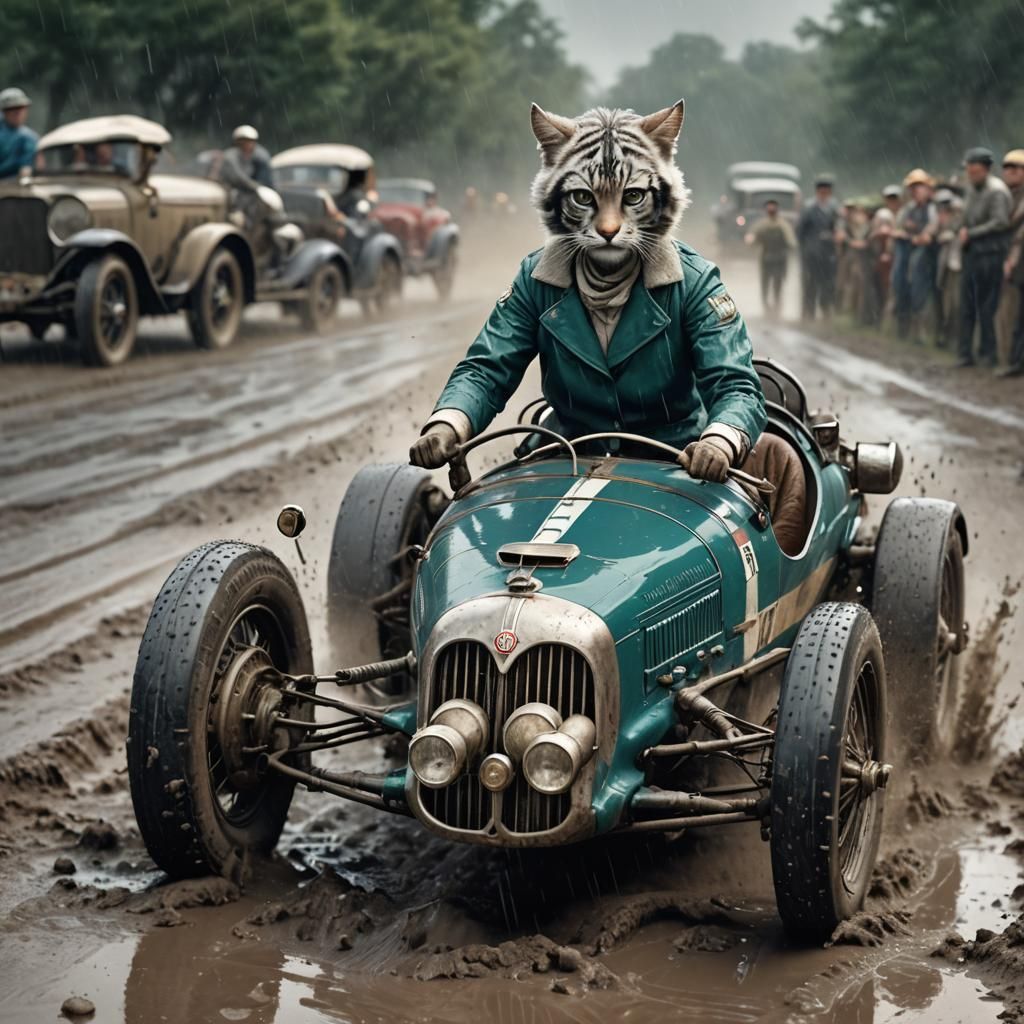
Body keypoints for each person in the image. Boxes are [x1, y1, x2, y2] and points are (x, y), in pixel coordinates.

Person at [409, 101, 805, 554]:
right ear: (556, 194)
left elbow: (736, 386)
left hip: (676, 467)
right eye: (584, 198)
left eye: (632, 197)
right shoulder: (535, 279)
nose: (610, 225)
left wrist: (718, 441)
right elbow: (487, 368)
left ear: (662, 193)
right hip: (568, 459)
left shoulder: (693, 282)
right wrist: (448, 424)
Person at [957, 147, 1012, 367]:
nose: (972, 175)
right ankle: (965, 353)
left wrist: (971, 233)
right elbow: (966, 216)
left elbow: (1000, 222)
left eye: (976, 171)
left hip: (990, 254)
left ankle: (989, 353)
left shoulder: (997, 191)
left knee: (988, 306)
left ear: (987, 170)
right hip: (972, 254)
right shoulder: (971, 189)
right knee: (967, 305)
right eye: (969, 171)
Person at [891, 169, 938, 344]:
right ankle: (903, 328)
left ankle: (922, 332)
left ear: (927, 188)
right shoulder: (908, 209)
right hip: (907, 253)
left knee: (922, 293)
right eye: (913, 187)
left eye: (919, 186)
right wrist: (903, 233)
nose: (915, 190)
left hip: (926, 256)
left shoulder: (933, 208)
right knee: (901, 287)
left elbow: (932, 230)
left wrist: (923, 236)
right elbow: (898, 227)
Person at [796, 174, 839, 322]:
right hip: (811, 253)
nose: (824, 193)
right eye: (822, 190)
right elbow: (800, 231)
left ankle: (826, 312)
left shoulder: (833, 208)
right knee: (810, 284)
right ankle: (808, 314)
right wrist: (805, 249)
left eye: (827, 190)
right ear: (817, 191)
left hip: (828, 253)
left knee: (827, 284)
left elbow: (837, 228)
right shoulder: (809, 208)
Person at [745, 197, 796, 317]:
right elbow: (752, 237)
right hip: (766, 257)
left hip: (779, 258)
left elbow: (791, 241)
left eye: (773, 206)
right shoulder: (762, 224)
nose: (771, 209)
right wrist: (750, 240)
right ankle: (766, 307)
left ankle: (777, 307)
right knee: (765, 284)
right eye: (769, 206)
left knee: (777, 284)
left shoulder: (783, 224)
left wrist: (791, 246)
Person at [997, 150, 1024, 363]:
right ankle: (1008, 358)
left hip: (1017, 261)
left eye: (1015, 168)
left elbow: (1018, 234)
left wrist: (1011, 259)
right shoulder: (1003, 195)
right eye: (1007, 168)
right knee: (1008, 313)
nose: (1010, 172)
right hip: (1005, 259)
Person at [866, 184, 903, 326]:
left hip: (896, 257)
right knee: (879, 290)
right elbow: (871, 236)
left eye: (895, 198)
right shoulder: (881, 215)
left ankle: (891, 323)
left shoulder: (902, 214)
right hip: (880, 258)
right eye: (890, 199)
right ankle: (878, 320)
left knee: (893, 290)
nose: (892, 202)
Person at [934, 191, 964, 349]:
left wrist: (952, 235)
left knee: (956, 304)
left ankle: (955, 339)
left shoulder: (960, 216)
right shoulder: (941, 219)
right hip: (946, 266)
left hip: (957, 266)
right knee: (945, 304)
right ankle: (945, 337)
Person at [0, 87, 37, 179]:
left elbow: (27, 169)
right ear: (4, 112)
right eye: (12, 109)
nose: (17, 113)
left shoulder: (29, 138)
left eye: (21, 108)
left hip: (15, 186)